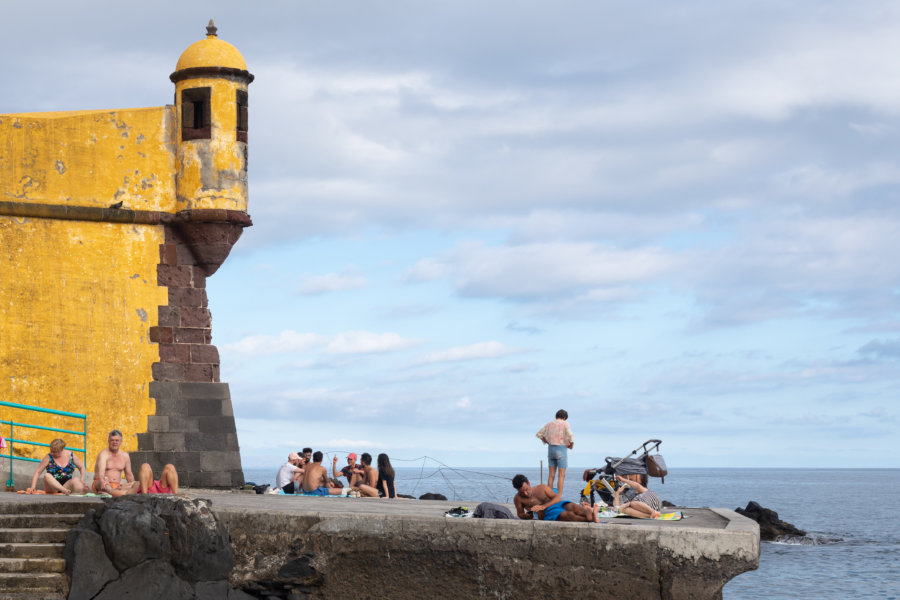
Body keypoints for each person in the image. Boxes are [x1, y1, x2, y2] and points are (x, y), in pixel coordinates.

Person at [512, 474, 598, 522]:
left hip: (556, 504)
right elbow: (520, 514)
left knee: (573, 506)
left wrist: (542, 506)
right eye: (521, 492)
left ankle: (590, 514)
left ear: (529, 483)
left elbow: (557, 498)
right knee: (568, 515)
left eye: (526, 490)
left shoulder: (541, 488)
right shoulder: (518, 498)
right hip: (547, 514)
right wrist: (527, 516)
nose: (526, 493)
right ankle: (591, 518)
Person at [535, 409, 574, 495]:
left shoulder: (549, 424)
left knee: (551, 475)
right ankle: (558, 496)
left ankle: (549, 496)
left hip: (551, 449)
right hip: (561, 449)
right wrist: (571, 444)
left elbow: (539, 434)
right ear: (564, 417)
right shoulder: (565, 423)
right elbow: (570, 435)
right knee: (561, 476)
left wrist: (546, 441)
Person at [107, 463, 180, 496]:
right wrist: (109, 490)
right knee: (145, 466)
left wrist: (109, 489)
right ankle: (145, 497)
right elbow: (123, 493)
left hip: (150, 488)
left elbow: (116, 492)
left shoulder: (132, 485)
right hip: (148, 490)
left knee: (169, 467)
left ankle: (176, 495)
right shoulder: (131, 488)